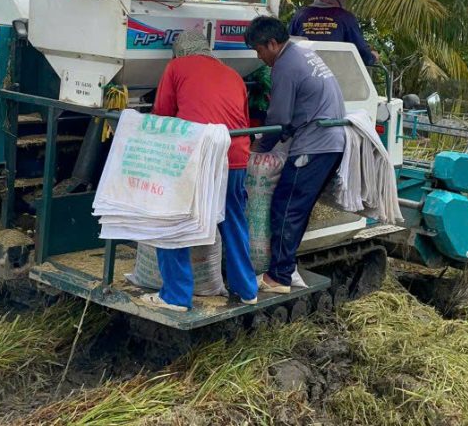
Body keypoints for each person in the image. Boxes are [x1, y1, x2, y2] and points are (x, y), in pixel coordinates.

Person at [141, 28, 259, 311]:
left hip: (198, 156)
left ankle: (176, 296)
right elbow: (240, 117)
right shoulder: (232, 74)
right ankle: (247, 290)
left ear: (179, 51)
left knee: (172, 218)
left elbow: (163, 115)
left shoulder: (177, 66)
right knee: (233, 220)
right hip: (235, 156)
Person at [244, 16, 346, 294]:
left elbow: (278, 118)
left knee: (286, 208)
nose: (259, 56)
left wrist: (259, 148)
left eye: (259, 50)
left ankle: (278, 277)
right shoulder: (303, 53)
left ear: (273, 44)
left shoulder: (285, 66)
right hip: (330, 142)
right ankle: (285, 267)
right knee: (297, 209)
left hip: (314, 146)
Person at [289, 0, 379, 65]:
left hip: (304, 70)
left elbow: (288, 45)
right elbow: (362, 53)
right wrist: (372, 57)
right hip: (336, 75)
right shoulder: (346, 18)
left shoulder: (300, 15)